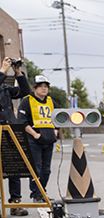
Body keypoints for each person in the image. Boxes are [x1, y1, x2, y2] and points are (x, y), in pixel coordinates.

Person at [17, 75, 58, 203]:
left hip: (49, 139)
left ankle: (42, 191)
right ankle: (36, 194)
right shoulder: (27, 101)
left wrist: (56, 132)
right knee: (36, 168)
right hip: (34, 140)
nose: (44, 89)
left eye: (46, 87)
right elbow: (22, 122)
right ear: (35, 88)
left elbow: (59, 118)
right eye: (41, 86)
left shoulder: (52, 101)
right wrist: (35, 134)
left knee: (47, 169)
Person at [0, 57, 30, 216]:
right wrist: (3, 70)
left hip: (9, 128)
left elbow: (25, 92)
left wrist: (18, 72)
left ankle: (15, 203)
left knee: (14, 166)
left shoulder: (4, 87)